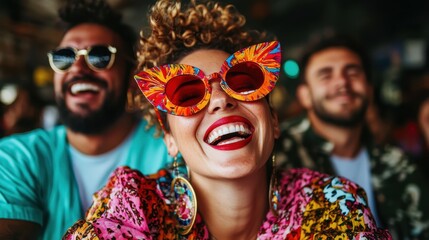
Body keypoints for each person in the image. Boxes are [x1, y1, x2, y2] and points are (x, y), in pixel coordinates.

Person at [63, 1, 391, 239]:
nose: (221, 99)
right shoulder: (133, 207)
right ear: (170, 139)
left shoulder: (332, 203)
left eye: (244, 84)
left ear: (273, 121)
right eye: (188, 94)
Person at [0, 0, 171, 239]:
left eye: (100, 57)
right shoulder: (17, 158)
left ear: (133, 75)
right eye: (64, 57)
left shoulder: (170, 150)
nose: (78, 67)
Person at [275, 34, 429, 239]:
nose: (342, 82)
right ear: (305, 95)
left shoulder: (396, 163)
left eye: (352, 72)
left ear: (369, 89)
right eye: (325, 75)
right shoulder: (278, 157)